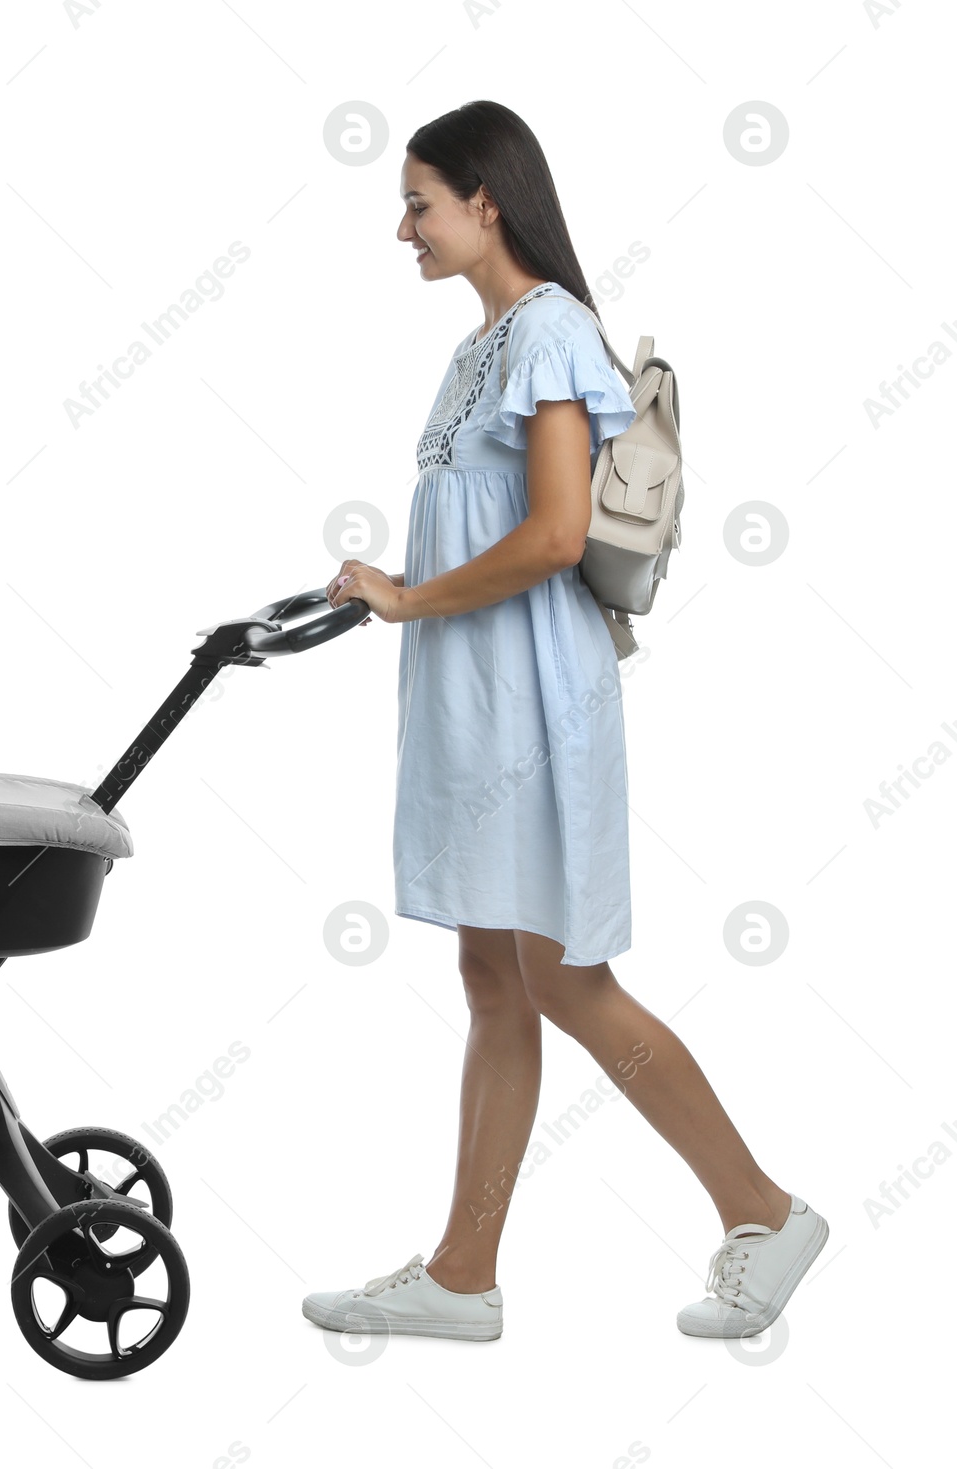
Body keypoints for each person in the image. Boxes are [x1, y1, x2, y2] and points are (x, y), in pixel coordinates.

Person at [305, 100, 827, 1344]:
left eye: (418, 201)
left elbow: (548, 536)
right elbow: (498, 519)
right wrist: (397, 586)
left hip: (530, 702)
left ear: (486, 201)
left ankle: (764, 1211)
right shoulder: (477, 347)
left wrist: (407, 595)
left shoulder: (547, 333)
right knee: (493, 975)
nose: (401, 228)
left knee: (566, 978)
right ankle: (462, 1271)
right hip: (474, 700)